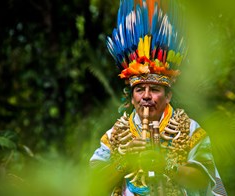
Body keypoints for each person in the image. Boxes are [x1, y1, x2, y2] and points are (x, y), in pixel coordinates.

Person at [89, 0, 227, 195]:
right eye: (139, 90)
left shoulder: (190, 130)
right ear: (131, 97)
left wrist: (167, 165)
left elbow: (205, 181)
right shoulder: (115, 135)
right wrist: (124, 163)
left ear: (168, 95)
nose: (146, 96)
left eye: (154, 89)